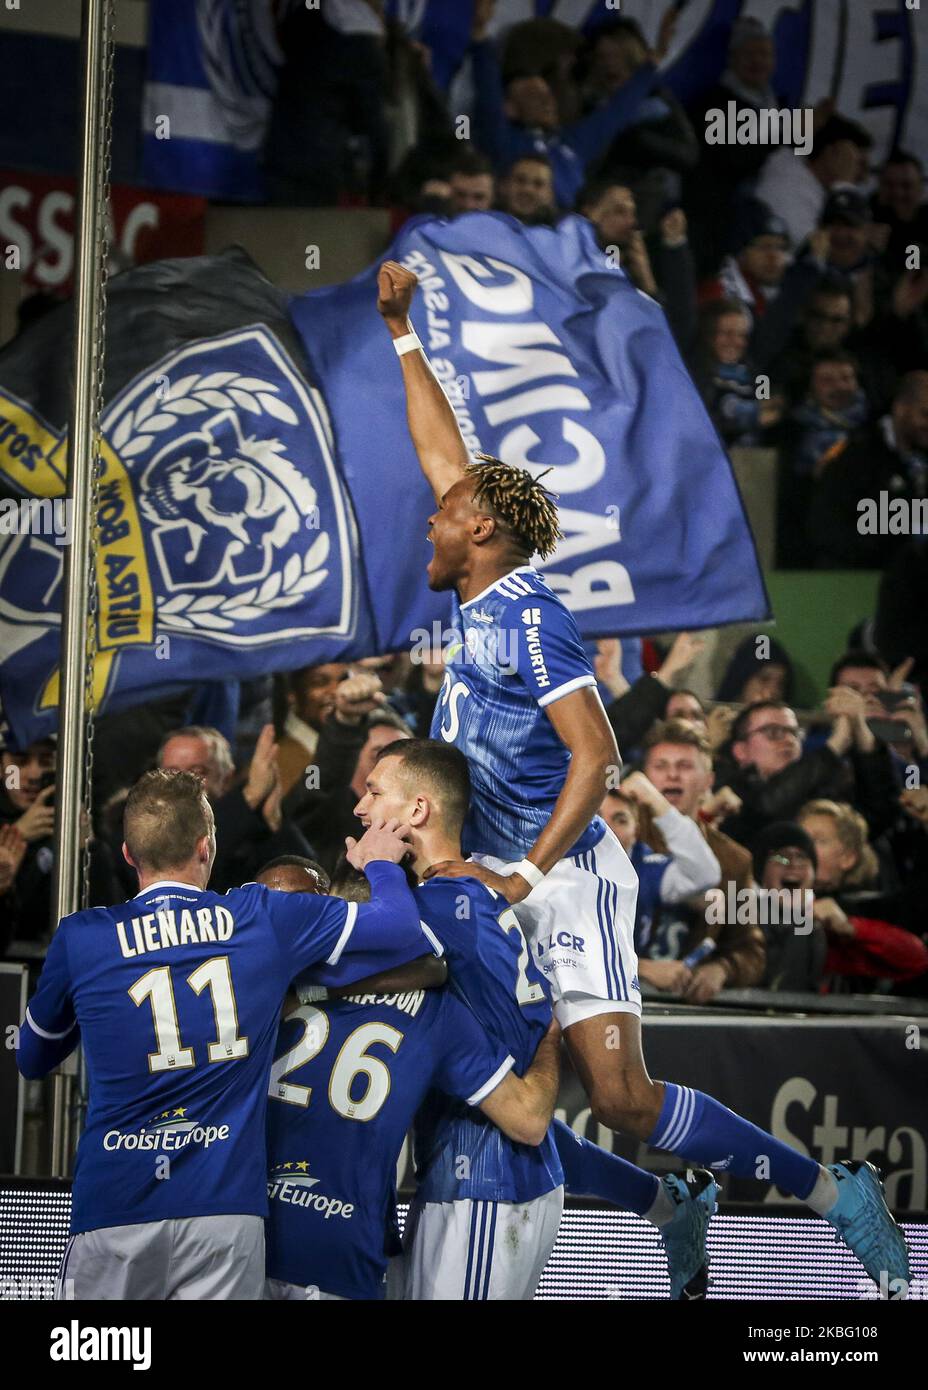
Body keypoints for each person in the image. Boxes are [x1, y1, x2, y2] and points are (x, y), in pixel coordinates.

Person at [373, 259, 911, 1294]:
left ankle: (836, 1194)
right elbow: (439, 448)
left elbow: (597, 754)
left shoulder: (528, 614)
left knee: (619, 1098)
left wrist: (523, 879)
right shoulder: (479, 597)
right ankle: (669, 1203)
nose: (429, 518)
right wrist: (401, 330)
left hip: (561, 876)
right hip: (487, 872)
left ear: (482, 530)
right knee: (495, 1092)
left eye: (447, 513)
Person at [16, 767, 433, 1300]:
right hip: (222, 1214)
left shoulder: (81, 938)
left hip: (112, 1208)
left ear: (127, 854)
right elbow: (401, 931)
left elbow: (32, 1058)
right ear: (206, 846)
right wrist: (380, 866)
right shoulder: (260, 917)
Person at [259, 853, 562, 1302]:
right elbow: (530, 1120)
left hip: (244, 1239)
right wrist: (553, 1035)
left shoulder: (252, 989)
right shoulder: (436, 1010)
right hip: (344, 1252)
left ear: (331, 909)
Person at [809, 370, 928, 569]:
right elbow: (825, 529)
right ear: (900, 409)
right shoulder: (856, 457)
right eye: (925, 414)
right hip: (858, 582)